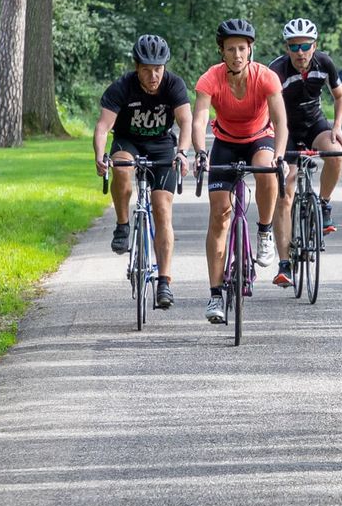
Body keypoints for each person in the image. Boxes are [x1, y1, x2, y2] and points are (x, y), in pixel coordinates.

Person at [192, 18, 289, 323]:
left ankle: (263, 232)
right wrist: (199, 150)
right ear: (222, 51)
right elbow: (199, 120)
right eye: (231, 49)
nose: (237, 54)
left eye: (242, 49)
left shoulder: (266, 77)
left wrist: (281, 155)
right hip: (225, 142)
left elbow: (282, 122)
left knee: (265, 168)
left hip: (261, 138)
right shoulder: (211, 78)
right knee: (220, 215)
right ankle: (215, 294)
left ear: (251, 50)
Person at [93, 35, 193, 310]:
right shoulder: (121, 87)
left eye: (158, 68)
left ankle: (164, 282)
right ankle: (123, 225)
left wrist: (182, 152)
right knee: (122, 168)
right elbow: (103, 127)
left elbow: (185, 122)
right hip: (129, 142)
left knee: (163, 210)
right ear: (136, 67)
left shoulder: (174, 85)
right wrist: (100, 155)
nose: (153, 75)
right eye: (147, 69)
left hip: (162, 145)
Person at [267, 17, 342, 287]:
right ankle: (284, 264)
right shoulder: (276, 70)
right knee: (286, 192)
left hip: (314, 124)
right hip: (286, 129)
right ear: (287, 47)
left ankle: (323, 203)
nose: (299, 52)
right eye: (294, 46)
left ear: (315, 46)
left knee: (336, 153)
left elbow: (340, 96)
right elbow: (265, 108)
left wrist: (337, 127)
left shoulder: (324, 63)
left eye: (305, 46)